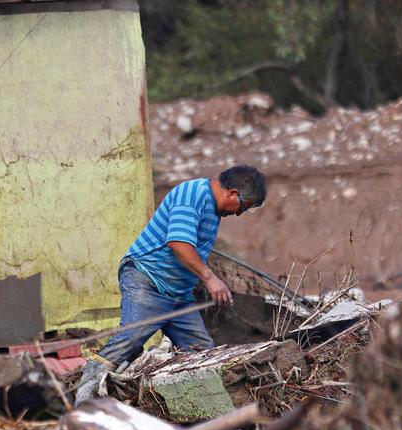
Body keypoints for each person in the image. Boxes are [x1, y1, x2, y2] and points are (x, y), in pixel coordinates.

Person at [74, 165, 267, 405]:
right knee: (128, 341)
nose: (239, 214)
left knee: (201, 354)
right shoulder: (192, 196)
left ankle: (203, 415)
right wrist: (209, 278)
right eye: (243, 207)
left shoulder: (212, 207)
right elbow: (178, 244)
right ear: (232, 193)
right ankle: (83, 402)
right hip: (149, 279)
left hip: (178, 294)